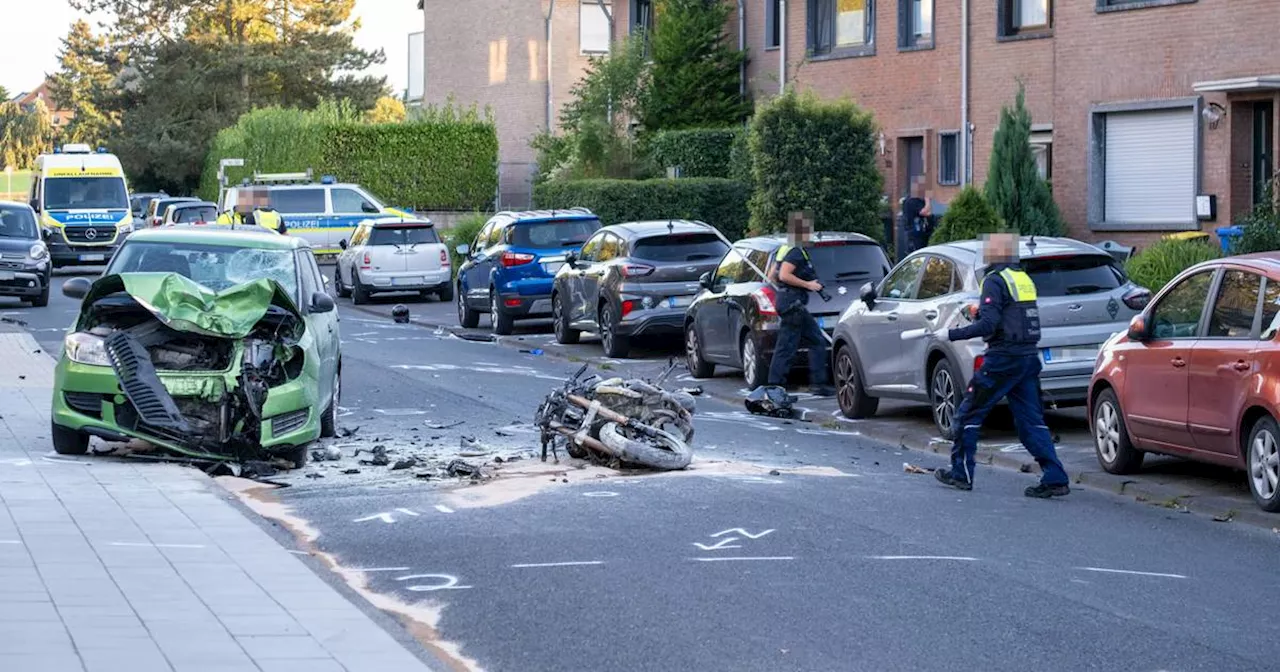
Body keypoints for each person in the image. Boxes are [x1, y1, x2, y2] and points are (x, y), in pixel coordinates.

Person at [934, 232, 1070, 499]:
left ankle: (960, 473)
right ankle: (1055, 477)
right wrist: (981, 310)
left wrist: (951, 334)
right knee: (1031, 420)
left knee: (969, 413)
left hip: (1002, 358)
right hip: (1028, 358)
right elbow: (1013, 313)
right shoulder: (1021, 278)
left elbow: (989, 325)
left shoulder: (993, 280)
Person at [766, 211, 835, 397]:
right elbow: (783, 275)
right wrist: (808, 285)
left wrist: (784, 288)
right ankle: (777, 387)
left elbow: (772, 275)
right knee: (790, 345)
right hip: (792, 303)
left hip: (787, 301)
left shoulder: (785, 249)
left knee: (811, 341)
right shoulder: (796, 251)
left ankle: (812, 383)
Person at [902, 178, 933, 253]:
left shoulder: (918, 201)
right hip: (915, 235)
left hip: (921, 234)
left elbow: (929, 213)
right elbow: (924, 212)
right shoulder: (912, 201)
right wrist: (927, 200)